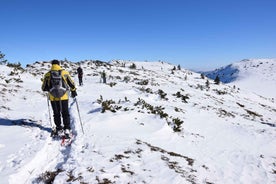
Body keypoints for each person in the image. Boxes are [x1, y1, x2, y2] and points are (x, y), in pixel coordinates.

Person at [41, 59, 77, 139]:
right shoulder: (64, 72)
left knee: (56, 113)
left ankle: (58, 128)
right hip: (63, 96)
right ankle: (67, 128)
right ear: (59, 64)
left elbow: (43, 88)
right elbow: (71, 83)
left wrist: (49, 89)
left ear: (52, 65)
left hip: (53, 97)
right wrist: (73, 91)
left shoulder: (47, 74)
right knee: (65, 112)